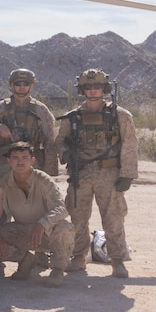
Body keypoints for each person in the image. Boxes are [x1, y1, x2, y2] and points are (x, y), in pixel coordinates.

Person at [58, 68, 139, 278]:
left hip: (109, 173)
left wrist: (127, 174)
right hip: (81, 173)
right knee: (77, 217)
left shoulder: (120, 115)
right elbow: (60, 141)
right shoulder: (72, 117)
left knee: (113, 218)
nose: (93, 91)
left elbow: (130, 144)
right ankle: (78, 257)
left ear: (105, 88)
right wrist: (67, 154)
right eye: (88, 87)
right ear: (82, 90)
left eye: (97, 87)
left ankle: (117, 260)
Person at [0, 142, 72, 287]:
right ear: (9, 161)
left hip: (47, 233)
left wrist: (42, 223)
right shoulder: (3, 185)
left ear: (32, 161)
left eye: (24, 157)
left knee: (65, 227)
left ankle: (58, 269)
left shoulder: (44, 180)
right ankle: (25, 259)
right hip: (23, 233)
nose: (20, 162)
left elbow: (63, 208)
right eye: (15, 158)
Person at [0, 69, 58, 176]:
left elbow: (50, 142)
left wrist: (50, 173)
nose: (22, 87)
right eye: (18, 84)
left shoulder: (41, 110)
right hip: (6, 161)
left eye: (26, 84)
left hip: (32, 161)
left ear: (31, 86)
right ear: (11, 85)